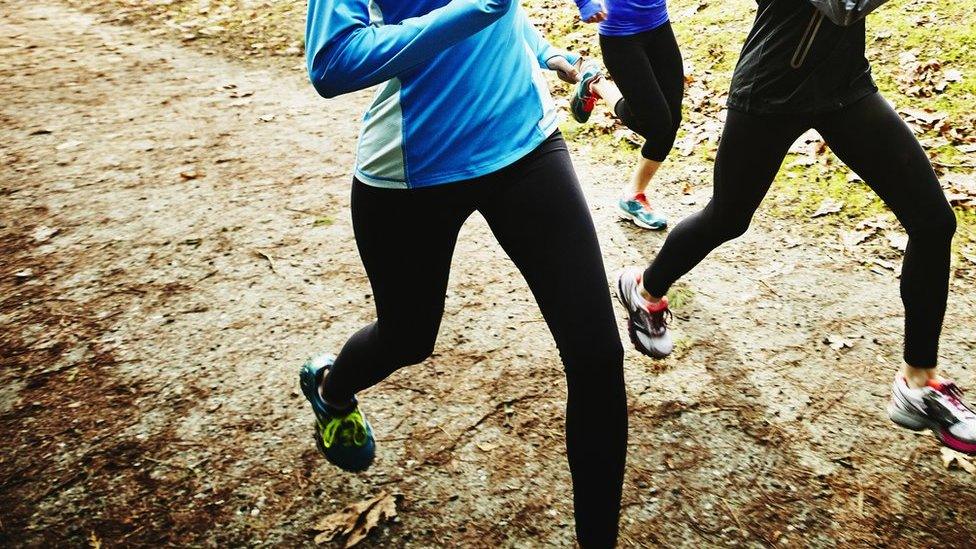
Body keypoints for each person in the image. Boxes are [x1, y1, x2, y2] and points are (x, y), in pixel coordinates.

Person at [300, 1, 628, 545]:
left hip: (526, 145)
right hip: (412, 170)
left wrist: (547, 53)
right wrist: (474, 8)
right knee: (408, 337)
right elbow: (332, 63)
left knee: (596, 359)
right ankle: (333, 389)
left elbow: (503, 12)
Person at [614, 0, 976, 454]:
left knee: (933, 222)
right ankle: (645, 287)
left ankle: (919, 382)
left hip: (843, 87)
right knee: (727, 217)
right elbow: (843, 7)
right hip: (772, 90)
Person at [568, 0, 684, 230]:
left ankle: (633, 196)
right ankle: (596, 85)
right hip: (620, 35)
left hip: (660, 26)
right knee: (658, 124)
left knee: (672, 119)